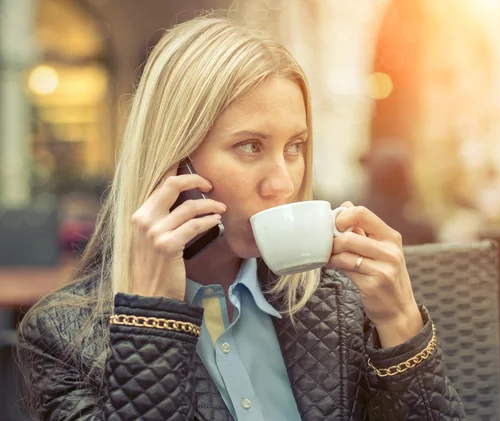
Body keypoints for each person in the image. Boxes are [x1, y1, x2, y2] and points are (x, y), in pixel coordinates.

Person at [17, 16, 465, 421]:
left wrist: (401, 324)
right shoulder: (62, 338)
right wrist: (151, 322)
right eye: (250, 146)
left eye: (295, 147)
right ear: (175, 163)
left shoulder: (342, 303)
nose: (283, 183)